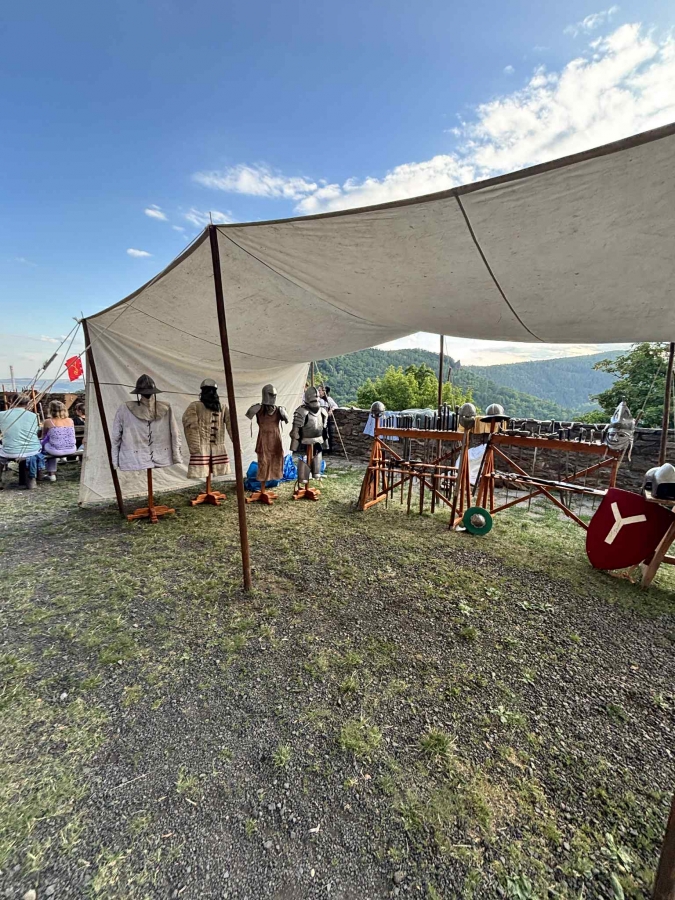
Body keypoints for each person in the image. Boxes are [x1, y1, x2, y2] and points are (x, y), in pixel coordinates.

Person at [0, 394, 43, 488]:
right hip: (32, 450)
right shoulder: (34, 416)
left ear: (12, 402)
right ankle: (32, 479)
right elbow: (37, 432)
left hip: (10, 451)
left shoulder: (2, 415)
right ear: (27, 403)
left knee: (1, 452)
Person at [41, 400, 77, 482]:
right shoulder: (70, 420)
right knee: (52, 445)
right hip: (71, 448)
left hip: (56, 450)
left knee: (46, 445)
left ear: (50, 410)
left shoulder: (48, 422)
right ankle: (62, 457)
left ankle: (51, 474)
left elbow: (43, 437)